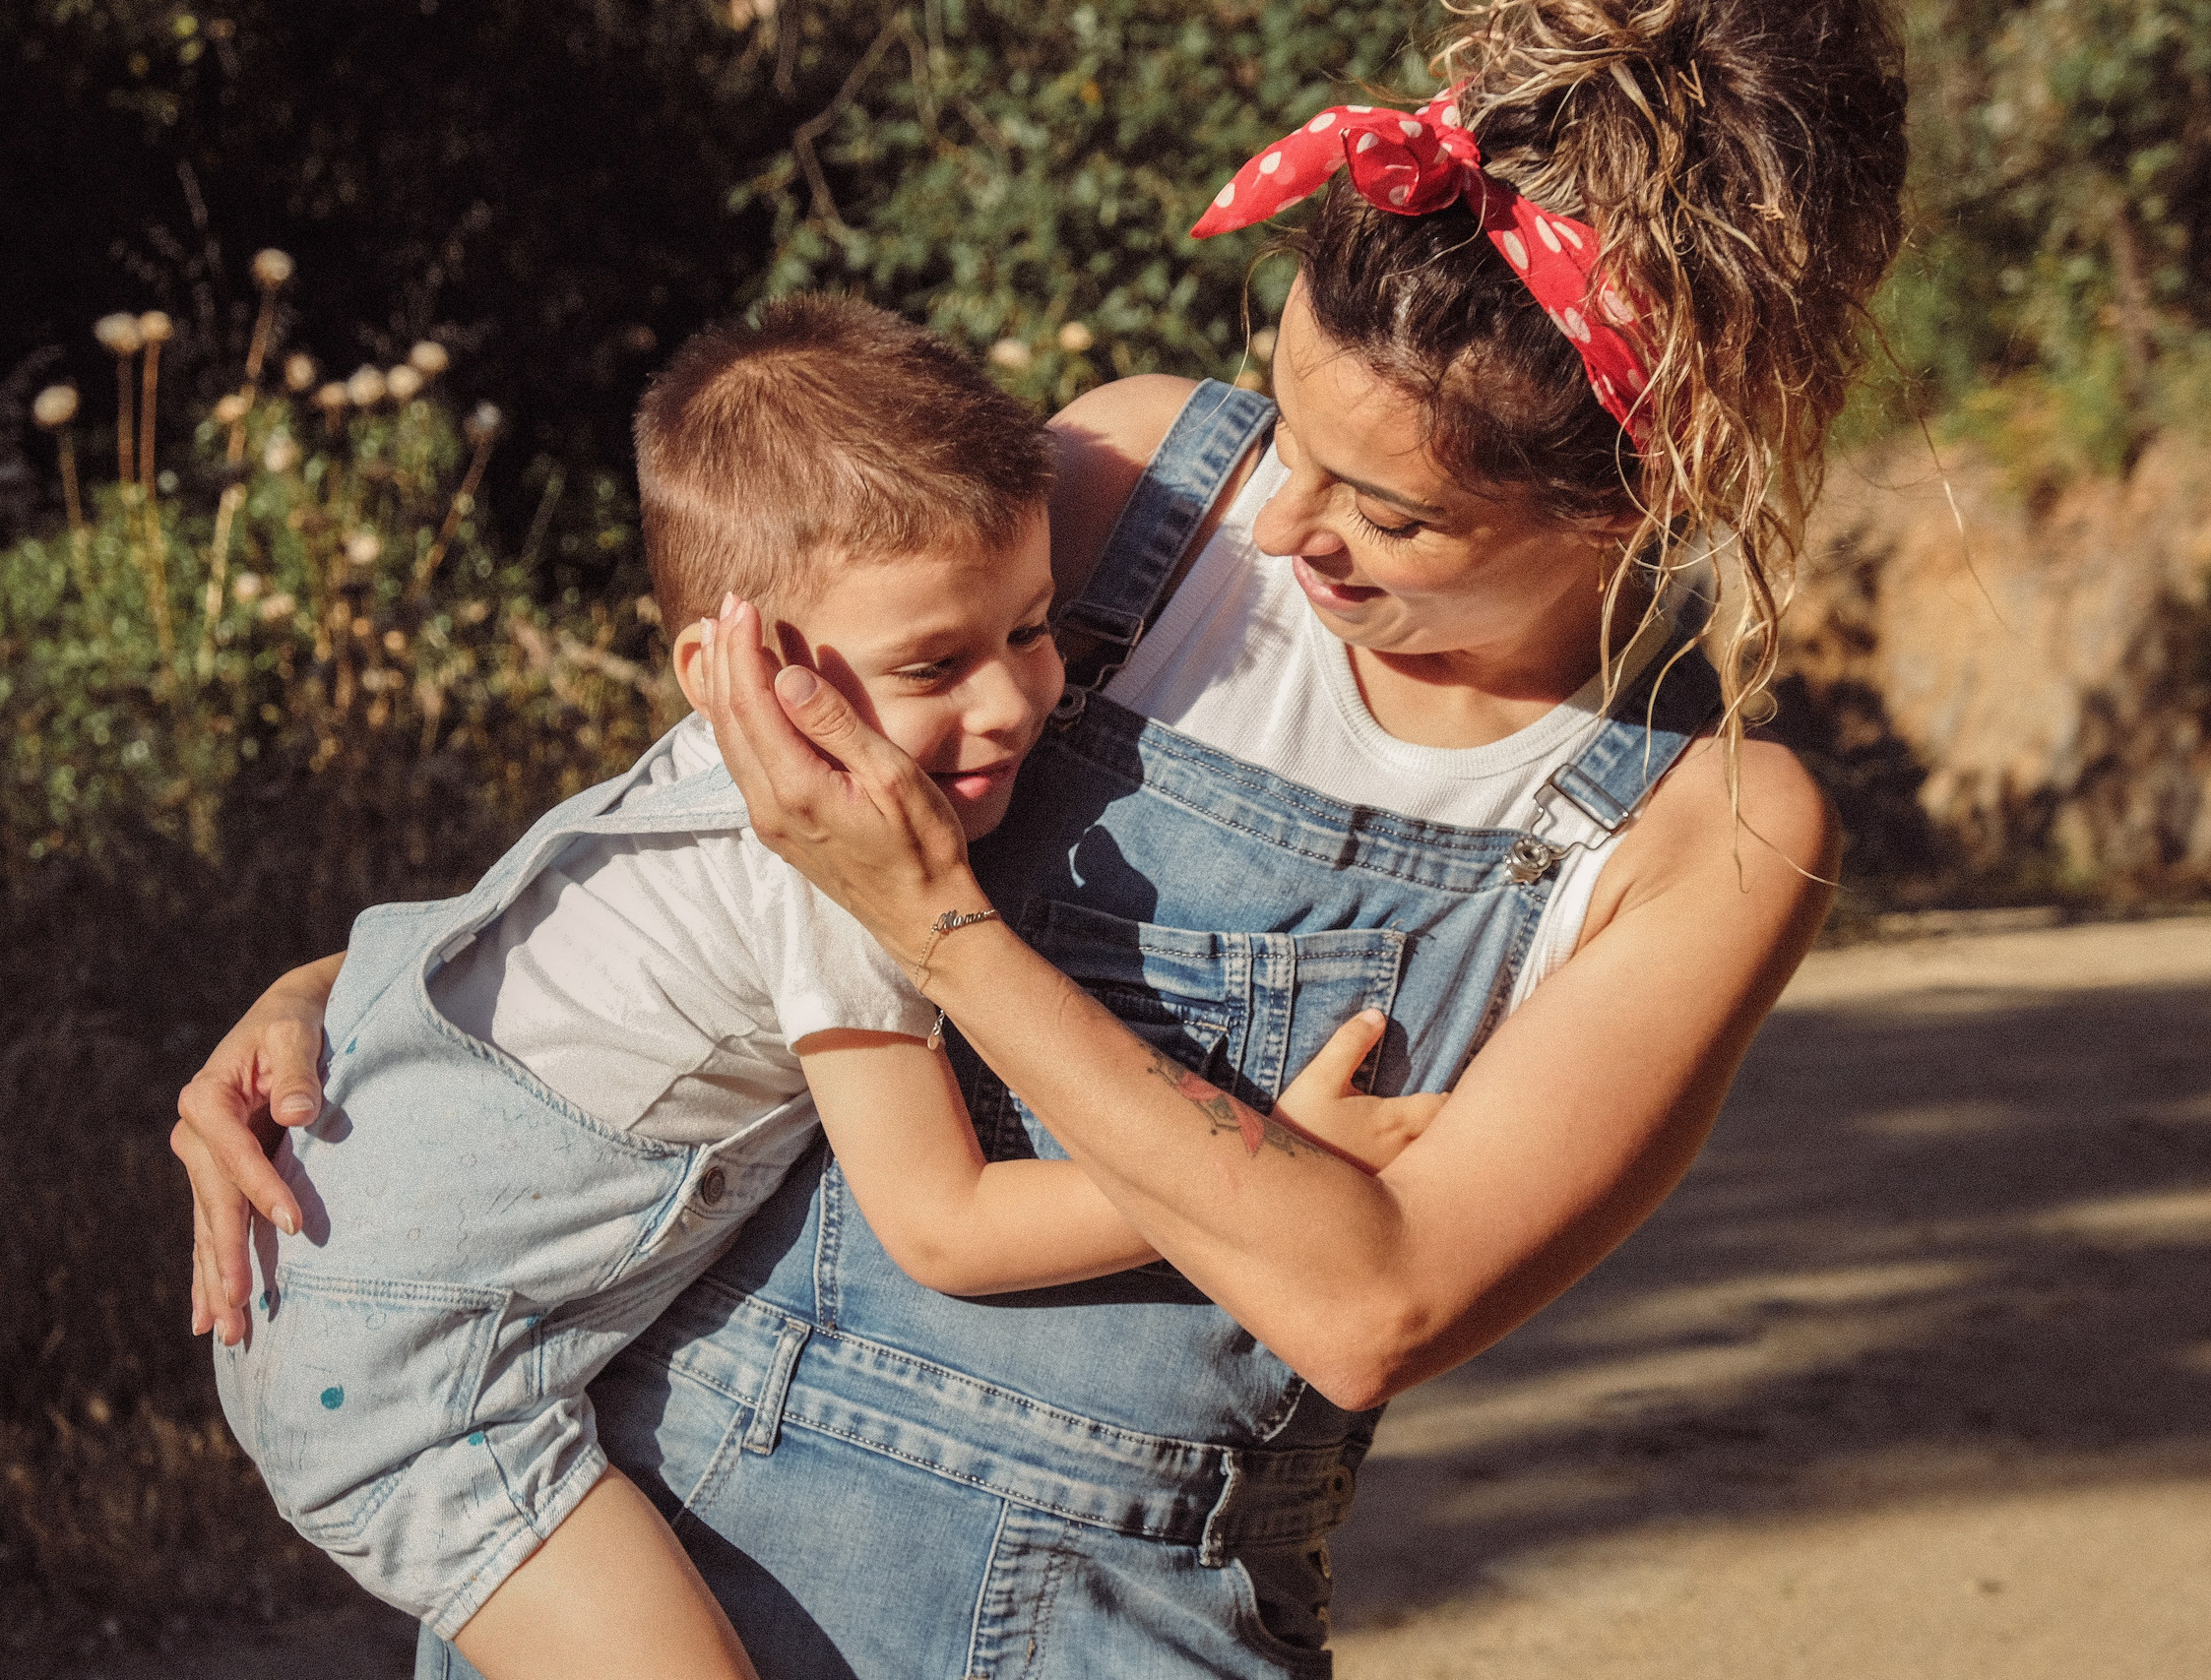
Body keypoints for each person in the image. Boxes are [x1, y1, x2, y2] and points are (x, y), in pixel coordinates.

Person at [174, 4, 1909, 1672]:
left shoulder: (1712, 832)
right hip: (659, 1528)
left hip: (1112, 1632)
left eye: (1391, 510)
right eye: (1289, 427)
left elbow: (1374, 1303)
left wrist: (942, 933)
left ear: (1650, 495)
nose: (1289, 525)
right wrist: (340, 1001)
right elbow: (708, 834)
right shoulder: (1133, 482)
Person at [209, 295, 1438, 1680]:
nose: (1014, 704)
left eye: (1036, 631)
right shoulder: (825, 867)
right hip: (409, 1394)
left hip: (346, 1278)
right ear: (738, 667)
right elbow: (947, 1224)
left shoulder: (714, 764)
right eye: (933, 665)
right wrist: (1273, 1163)